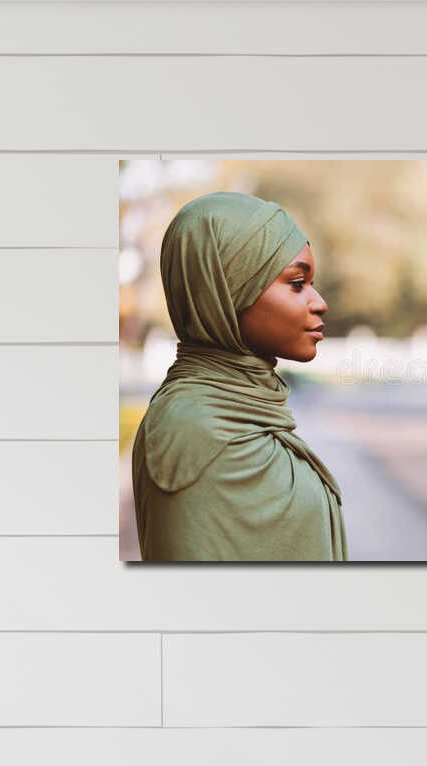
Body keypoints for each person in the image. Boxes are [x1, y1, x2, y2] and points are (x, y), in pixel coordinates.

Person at [131, 191, 345, 561]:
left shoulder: (246, 407)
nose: (319, 302)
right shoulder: (189, 430)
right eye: (297, 283)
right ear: (228, 290)